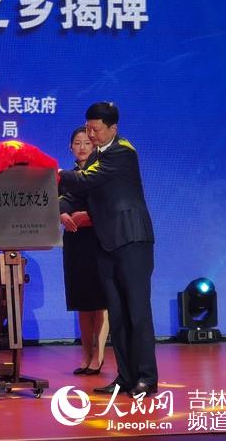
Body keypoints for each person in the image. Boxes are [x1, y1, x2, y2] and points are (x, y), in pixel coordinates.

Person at [59, 103, 158, 398]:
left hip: (131, 240)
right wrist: (59, 207)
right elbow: (75, 193)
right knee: (117, 314)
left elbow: (87, 180)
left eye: (95, 130)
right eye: (87, 128)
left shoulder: (122, 152)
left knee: (137, 312)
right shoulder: (97, 158)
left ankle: (147, 377)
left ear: (112, 128)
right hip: (106, 244)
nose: (90, 135)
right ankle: (125, 377)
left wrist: (55, 173)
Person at [60, 127, 109, 376]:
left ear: (95, 146)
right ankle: (85, 354)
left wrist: (89, 216)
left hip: (99, 239)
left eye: (87, 143)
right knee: (82, 302)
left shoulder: (102, 173)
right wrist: (61, 214)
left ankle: (98, 356)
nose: (82, 147)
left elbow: (108, 205)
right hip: (75, 240)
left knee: (100, 301)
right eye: (77, 143)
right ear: (71, 147)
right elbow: (56, 201)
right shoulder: (65, 177)